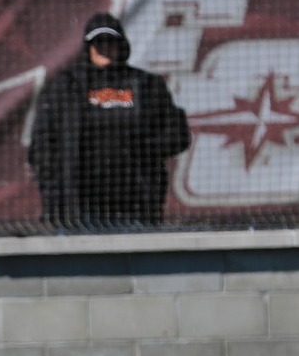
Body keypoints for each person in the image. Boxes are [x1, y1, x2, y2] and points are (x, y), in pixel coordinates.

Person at [28, 12, 191, 232]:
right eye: (98, 43)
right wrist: (54, 189)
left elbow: (178, 134)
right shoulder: (66, 86)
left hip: (135, 207)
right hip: (79, 211)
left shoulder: (145, 85)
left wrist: (144, 148)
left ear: (121, 45)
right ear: (88, 47)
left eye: (110, 42)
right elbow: (42, 142)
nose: (105, 48)